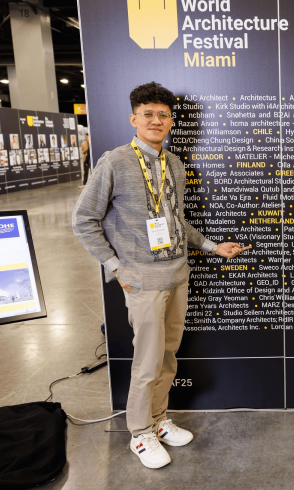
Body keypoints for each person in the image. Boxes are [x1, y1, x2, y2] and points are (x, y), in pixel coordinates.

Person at [72, 82, 251, 470]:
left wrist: (212, 247)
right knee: (148, 361)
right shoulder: (115, 161)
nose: (156, 120)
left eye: (163, 115)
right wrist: (115, 266)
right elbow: (84, 220)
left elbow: (176, 221)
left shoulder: (175, 164)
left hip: (177, 276)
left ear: (171, 121)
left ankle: (157, 419)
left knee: (167, 356)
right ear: (133, 118)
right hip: (143, 280)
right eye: (148, 114)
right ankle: (139, 433)